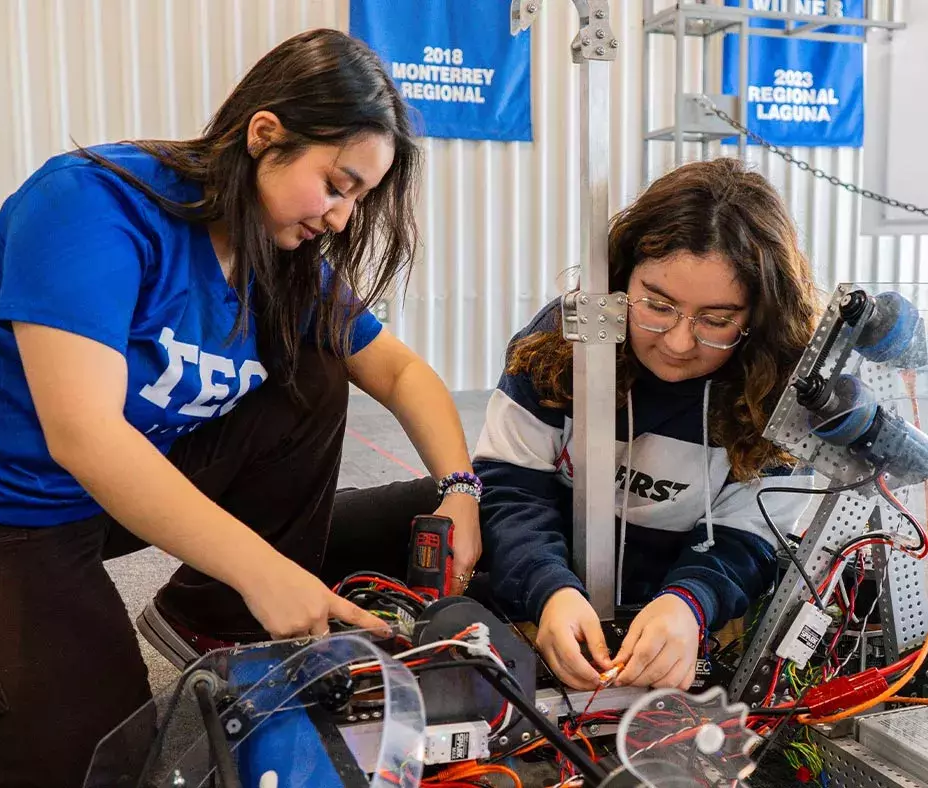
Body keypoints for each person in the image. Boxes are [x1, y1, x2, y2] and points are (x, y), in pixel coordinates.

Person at [0, 29, 481, 788]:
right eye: (337, 183)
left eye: (359, 198)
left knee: (317, 367)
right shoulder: (91, 204)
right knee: (107, 762)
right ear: (266, 135)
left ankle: (208, 616)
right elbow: (86, 435)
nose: (341, 218)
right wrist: (266, 569)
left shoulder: (278, 255)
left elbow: (399, 371)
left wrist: (462, 490)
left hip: (95, 499)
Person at [345, 158, 820, 692]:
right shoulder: (562, 341)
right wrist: (549, 589)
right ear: (619, 281)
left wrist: (689, 605)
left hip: (668, 595)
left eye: (715, 320)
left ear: (759, 315)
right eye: (658, 306)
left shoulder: (783, 388)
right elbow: (511, 488)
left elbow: (748, 542)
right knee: (333, 531)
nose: (679, 341)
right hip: (539, 565)